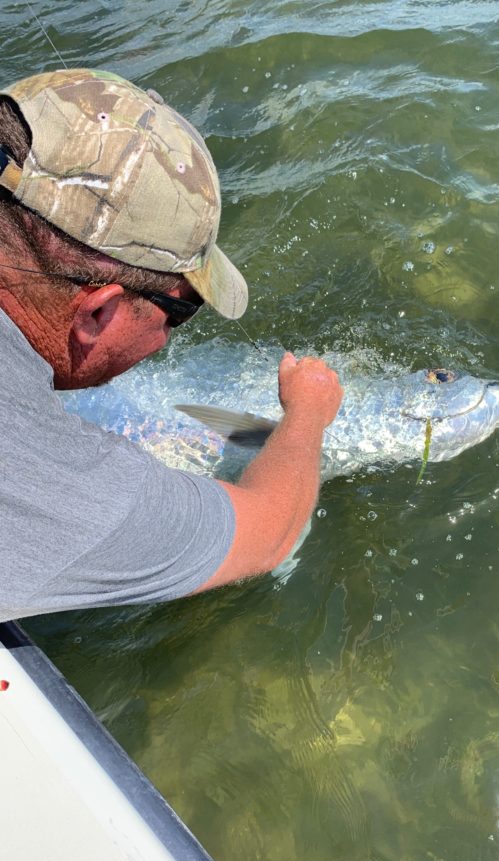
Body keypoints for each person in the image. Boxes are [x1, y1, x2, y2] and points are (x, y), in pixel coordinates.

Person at [0, 68, 343, 623]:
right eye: (181, 311)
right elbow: (268, 534)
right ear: (99, 311)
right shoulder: (63, 485)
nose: (168, 337)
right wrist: (307, 414)